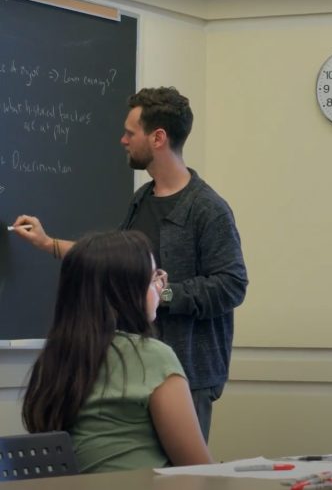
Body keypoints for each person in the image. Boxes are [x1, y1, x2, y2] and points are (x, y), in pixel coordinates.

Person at [13, 87, 248, 442]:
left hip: (187, 375)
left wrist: (159, 293)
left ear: (158, 138)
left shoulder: (208, 209)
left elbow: (232, 285)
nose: (123, 140)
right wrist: (49, 244)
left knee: (178, 478)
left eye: (130, 132)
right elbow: (114, 265)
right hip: (130, 368)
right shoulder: (141, 199)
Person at [22, 230, 213, 473]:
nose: (159, 287)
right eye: (153, 277)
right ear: (126, 289)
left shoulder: (53, 360)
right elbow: (197, 470)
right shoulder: (151, 355)